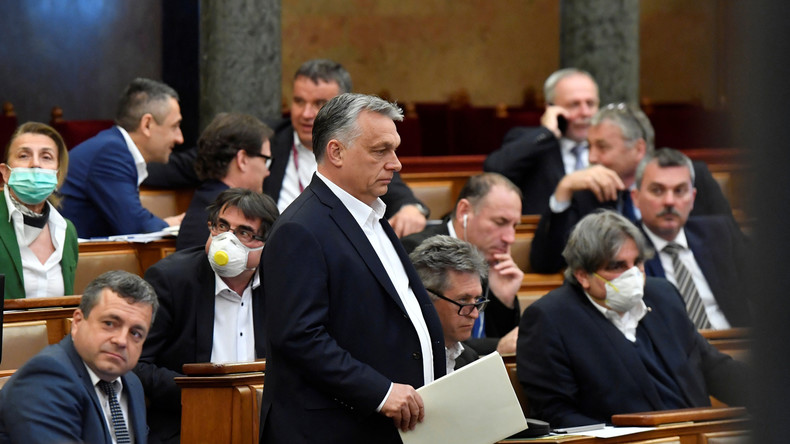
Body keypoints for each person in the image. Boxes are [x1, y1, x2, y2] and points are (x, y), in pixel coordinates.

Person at [259, 93, 445, 443]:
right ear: (336, 152)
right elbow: (299, 338)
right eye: (380, 151)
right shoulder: (300, 229)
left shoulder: (372, 214)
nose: (396, 164)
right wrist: (381, 391)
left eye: (395, 149)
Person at [517, 211, 748, 428]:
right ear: (582, 275)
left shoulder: (664, 296)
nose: (633, 274)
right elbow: (556, 414)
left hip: (697, 435)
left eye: (637, 262)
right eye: (617, 266)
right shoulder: (551, 319)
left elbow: (713, 367)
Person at [135, 188, 276, 444]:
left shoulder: (282, 283)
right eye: (221, 227)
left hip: (265, 422)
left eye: (244, 232)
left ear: (267, 244)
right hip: (187, 420)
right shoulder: (171, 279)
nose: (227, 240)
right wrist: (205, 395)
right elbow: (138, 363)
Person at [529, 103, 733, 273]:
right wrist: (564, 189)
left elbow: (729, 244)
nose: (591, 158)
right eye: (589, 146)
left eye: (602, 147)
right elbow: (545, 264)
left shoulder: (690, 177)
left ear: (638, 149)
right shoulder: (587, 193)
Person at [263, 58, 430, 237]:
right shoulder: (267, 139)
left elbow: (399, 195)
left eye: (319, 103)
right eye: (299, 101)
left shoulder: (356, 145)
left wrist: (411, 209)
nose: (306, 114)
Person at [0, 270, 158, 443]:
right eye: (109, 323)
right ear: (77, 322)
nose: (121, 341)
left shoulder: (132, 383)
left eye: (135, 333)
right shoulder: (46, 376)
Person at [401, 173, 523, 356]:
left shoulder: (489, 256)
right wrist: (495, 348)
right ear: (464, 211)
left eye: (514, 226)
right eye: (500, 222)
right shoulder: (418, 251)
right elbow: (433, 336)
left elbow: (506, 346)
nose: (510, 238)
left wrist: (503, 300)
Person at [632, 148, 750, 328]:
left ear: (692, 198)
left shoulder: (720, 233)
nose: (669, 201)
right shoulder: (626, 250)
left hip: (734, 343)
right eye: (657, 190)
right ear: (636, 198)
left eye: (679, 190)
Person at [60, 77, 185, 238]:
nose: (180, 138)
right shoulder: (111, 152)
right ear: (147, 125)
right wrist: (171, 225)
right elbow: (135, 225)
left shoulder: (113, 146)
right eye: (174, 126)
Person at [483, 68, 599, 215]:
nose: (585, 113)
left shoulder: (609, 146)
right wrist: (547, 132)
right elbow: (494, 169)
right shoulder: (533, 142)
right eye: (574, 104)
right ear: (550, 108)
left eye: (590, 104)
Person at [0, 122, 78, 298]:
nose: (35, 164)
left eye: (46, 157)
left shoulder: (67, 231)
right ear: (5, 173)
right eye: (24, 155)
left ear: (57, 175)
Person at [175, 112, 273, 250]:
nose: (267, 171)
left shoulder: (206, 199)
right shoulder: (232, 213)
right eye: (265, 161)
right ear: (242, 159)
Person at [409, 235, 488, 373]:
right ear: (424, 298)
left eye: (476, 300)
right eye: (463, 300)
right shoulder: (396, 364)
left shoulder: (469, 359)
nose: (475, 314)